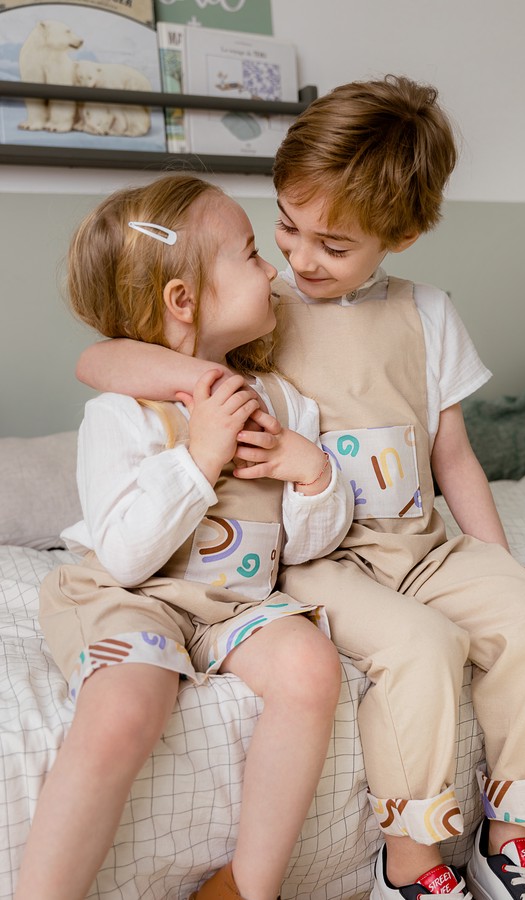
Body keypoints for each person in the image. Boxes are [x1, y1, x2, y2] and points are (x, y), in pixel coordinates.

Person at [75, 77, 525, 900]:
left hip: (420, 543)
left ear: (403, 235)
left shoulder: (428, 312)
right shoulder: (259, 303)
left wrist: (498, 561)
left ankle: (513, 835)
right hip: (318, 557)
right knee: (422, 646)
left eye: (333, 245)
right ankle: (412, 860)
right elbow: (100, 360)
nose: (299, 258)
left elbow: (455, 458)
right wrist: (200, 387)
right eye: (285, 227)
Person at [15, 173, 355, 900]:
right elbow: (130, 555)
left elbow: (305, 548)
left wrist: (314, 473)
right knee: (127, 708)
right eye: (252, 252)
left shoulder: (284, 402)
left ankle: (246, 884)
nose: (273, 269)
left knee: (311, 670)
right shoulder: (122, 411)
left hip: (231, 604)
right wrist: (199, 455)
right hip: (128, 592)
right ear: (183, 299)